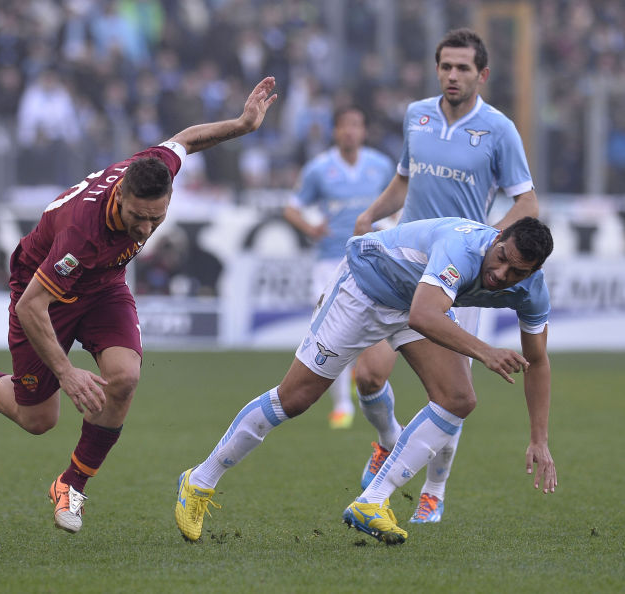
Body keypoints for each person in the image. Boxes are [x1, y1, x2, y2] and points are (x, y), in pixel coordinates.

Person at [0, 77, 278, 534]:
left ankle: (71, 485)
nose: (144, 229)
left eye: (156, 218)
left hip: (102, 285)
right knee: (38, 419)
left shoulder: (153, 170)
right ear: (119, 195)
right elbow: (30, 306)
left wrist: (243, 125)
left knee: (124, 377)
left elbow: (185, 140)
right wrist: (66, 372)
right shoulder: (82, 234)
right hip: (43, 291)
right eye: (137, 217)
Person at [175, 216, 557, 544]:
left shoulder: (531, 291)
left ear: (533, 273)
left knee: (458, 398)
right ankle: (200, 479)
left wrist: (539, 439)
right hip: (365, 286)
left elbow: (537, 362)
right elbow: (425, 316)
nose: (500, 274)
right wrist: (486, 351)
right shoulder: (462, 247)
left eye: (517, 272)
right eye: (501, 258)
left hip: (414, 302)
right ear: (497, 237)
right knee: (295, 399)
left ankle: (371, 501)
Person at [350, 28, 539, 523]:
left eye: (463, 68)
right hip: (403, 265)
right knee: (368, 374)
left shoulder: (499, 129)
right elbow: (404, 180)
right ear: (437, 69)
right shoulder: (417, 115)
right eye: (446, 67)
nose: (453, 76)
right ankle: (390, 440)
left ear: (483, 74)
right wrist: (371, 215)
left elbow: (528, 202)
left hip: (460, 277)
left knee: (451, 396)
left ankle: (434, 488)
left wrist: (488, 244)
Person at [282, 105, 395, 429]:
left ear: (363, 131)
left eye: (356, 125)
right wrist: (310, 229)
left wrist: (396, 227)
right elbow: (292, 208)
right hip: (331, 259)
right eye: (344, 126)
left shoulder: (380, 165)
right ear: (335, 131)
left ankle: (369, 387)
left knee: (374, 326)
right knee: (333, 333)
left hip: (374, 258)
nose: (350, 131)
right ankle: (343, 404)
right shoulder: (319, 169)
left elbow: (399, 199)